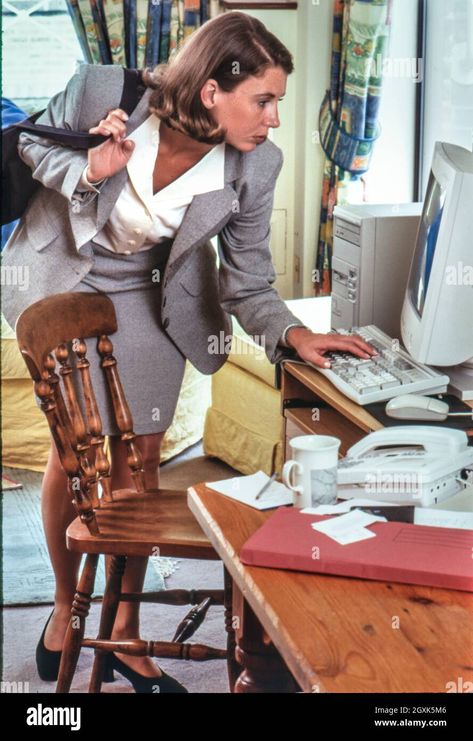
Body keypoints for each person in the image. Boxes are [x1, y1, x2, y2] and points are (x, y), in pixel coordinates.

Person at [2, 12, 376, 693]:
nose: (273, 119)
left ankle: (120, 629)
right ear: (211, 90)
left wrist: (292, 333)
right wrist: (91, 165)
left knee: (141, 458)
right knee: (78, 451)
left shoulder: (257, 163)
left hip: (151, 290)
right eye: (263, 100)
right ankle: (66, 603)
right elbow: (32, 143)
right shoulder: (102, 91)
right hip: (65, 272)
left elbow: (247, 279)